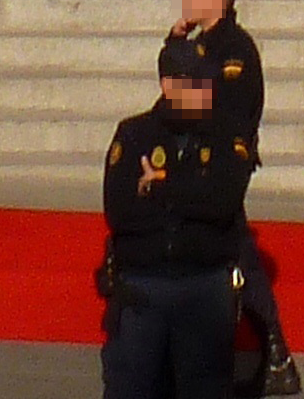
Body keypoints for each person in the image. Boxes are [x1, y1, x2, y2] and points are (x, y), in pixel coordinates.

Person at [99, 32, 255, 399]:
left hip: (203, 287)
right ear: (169, 85)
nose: (208, 92)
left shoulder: (226, 136)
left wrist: (161, 188)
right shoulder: (134, 135)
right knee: (131, 388)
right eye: (197, 84)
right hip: (144, 287)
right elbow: (120, 212)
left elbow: (221, 203)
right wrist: (189, 198)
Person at [173, 0, 297, 396]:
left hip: (223, 164)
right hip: (195, 164)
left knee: (237, 249)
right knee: (215, 252)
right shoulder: (198, 45)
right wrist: (175, 40)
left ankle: (275, 351)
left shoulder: (235, 50)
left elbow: (226, 113)